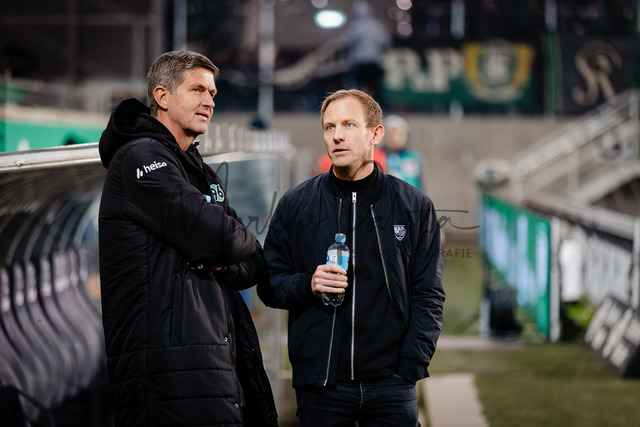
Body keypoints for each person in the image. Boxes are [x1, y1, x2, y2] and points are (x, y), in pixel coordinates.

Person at [98, 50, 278, 427]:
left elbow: (252, 263)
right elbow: (225, 237)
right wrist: (223, 246)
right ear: (162, 97)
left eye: (212, 93)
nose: (209, 101)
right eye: (197, 89)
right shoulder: (139, 158)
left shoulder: (199, 169)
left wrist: (220, 254)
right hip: (165, 368)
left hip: (206, 354)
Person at [259, 89, 445, 426]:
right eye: (329, 127)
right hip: (321, 387)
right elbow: (269, 283)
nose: (337, 135)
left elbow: (428, 293)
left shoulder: (414, 206)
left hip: (393, 383)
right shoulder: (296, 204)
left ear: (376, 134)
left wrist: (411, 365)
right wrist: (307, 284)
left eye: (348, 124)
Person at [382, 114, 426, 191]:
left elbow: (421, 181)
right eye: (391, 135)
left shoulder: (413, 156)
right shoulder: (379, 155)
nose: (395, 138)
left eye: (399, 134)